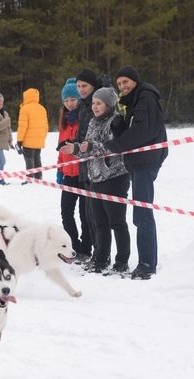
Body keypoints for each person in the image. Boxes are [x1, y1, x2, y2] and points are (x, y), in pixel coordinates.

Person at [107, 65, 168, 280]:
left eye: (126, 82)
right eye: (119, 84)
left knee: (142, 214)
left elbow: (143, 130)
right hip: (137, 161)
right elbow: (130, 128)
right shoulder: (130, 101)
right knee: (139, 213)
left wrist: (117, 145)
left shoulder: (146, 98)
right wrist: (117, 125)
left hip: (146, 161)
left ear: (135, 80)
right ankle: (146, 261)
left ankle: (147, 264)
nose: (123, 87)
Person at [62, 87, 131, 274]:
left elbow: (111, 146)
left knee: (117, 221)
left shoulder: (116, 121)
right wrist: (75, 149)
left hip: (115, 177)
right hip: (96, 178)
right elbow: (88, 148)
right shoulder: (93, 122)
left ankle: (122, 260)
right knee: (99, 222)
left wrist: (88, 147)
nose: (95, 107)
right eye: (93, 103)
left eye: (99, 103)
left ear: (109, 104)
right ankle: (101, 258)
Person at [55, 78, 91, 259]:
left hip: (82, 174)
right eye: (66, 100)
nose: (69, 103)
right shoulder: (64, 121)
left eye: (72, 99)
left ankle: (86, 248)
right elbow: (61, 149)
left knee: (85, 215)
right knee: (66, 212)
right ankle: (73, 245)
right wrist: (60, 170)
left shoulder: (83, 118)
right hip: (68, 174)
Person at [73, 68, 104, 266]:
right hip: (85, 165)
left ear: (93, 85)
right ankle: (90, 251)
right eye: (78, 86)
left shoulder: (98, 103)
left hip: (98, 167)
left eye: (84, 86)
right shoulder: (84, 105)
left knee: (96, 215)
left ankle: (100, 254)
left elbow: (95, 137)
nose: (81, 89)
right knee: (86, 212)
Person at [16, 88, 48, 183]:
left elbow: (22, 126)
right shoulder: (42, 108)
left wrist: (19, 140)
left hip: (28, 140)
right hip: (39, 140)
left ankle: (29, 179)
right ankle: (38, 176)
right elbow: (46, 126)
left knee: (29, 159)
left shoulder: (24, 108)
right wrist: (43, 137)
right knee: (37, 158)